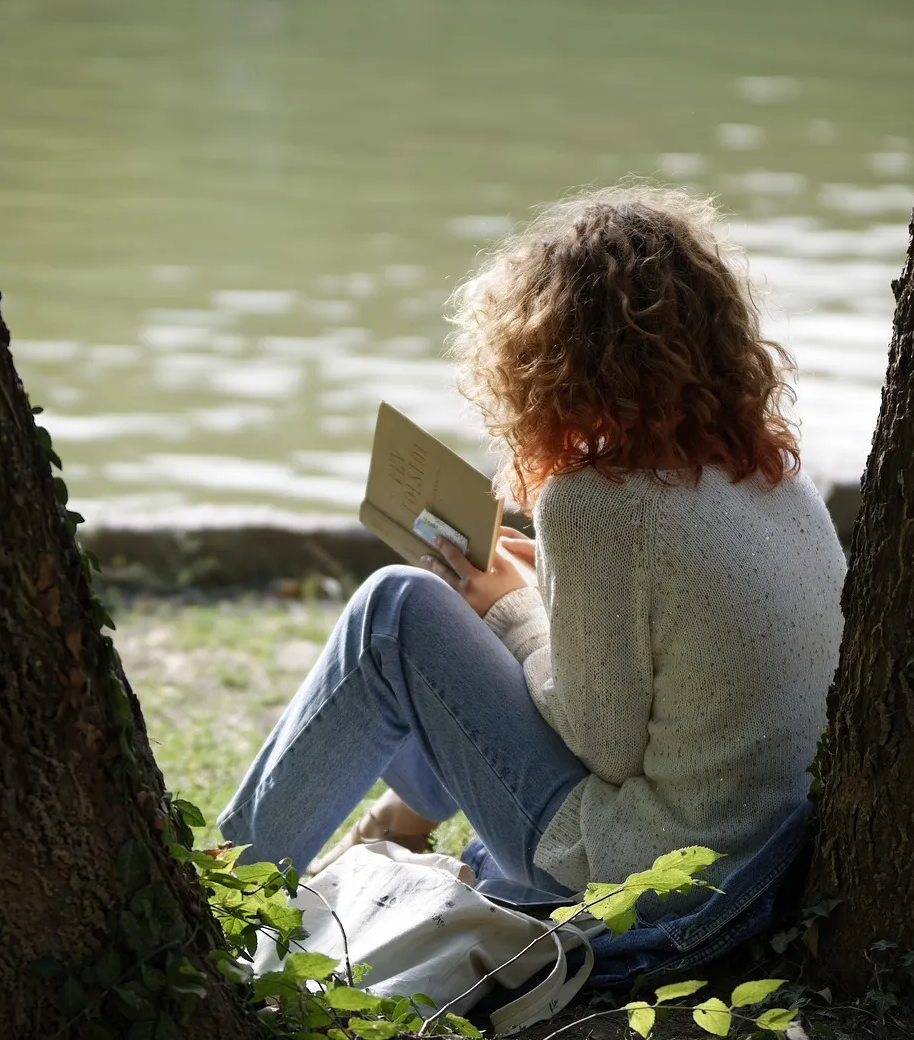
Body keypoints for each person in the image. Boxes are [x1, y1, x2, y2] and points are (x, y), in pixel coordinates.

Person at [217, 185, 846, 909]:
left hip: (651, 883)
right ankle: (393, 827)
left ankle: (227, 893)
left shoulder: (599, 504)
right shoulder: (772, 475)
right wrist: (540, 590)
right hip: (763, 862)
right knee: (464, 615)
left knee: (396, 610)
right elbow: (671, 653)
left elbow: (600, 743)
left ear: (551, 358)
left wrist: (512, 612)